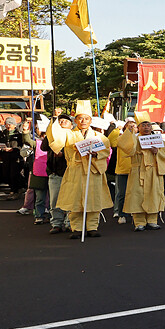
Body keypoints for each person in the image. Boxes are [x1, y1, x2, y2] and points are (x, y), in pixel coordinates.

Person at [47, 100, 113, 239]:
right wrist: (54, 119)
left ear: (91, 120)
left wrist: (97, 154)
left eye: (86, 118)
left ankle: (92, 227)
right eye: (80, 118)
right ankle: (76, 227)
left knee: (94, 200)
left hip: (93, 171)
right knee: (75, 200)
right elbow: (55, 139)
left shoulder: (99, 136)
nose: (83, 121)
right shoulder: (68, 134)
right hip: (75, 171)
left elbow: (106, 150)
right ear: (75, 120)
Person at [119, 115, 165, 230]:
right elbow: (125, 147)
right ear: (138, 127)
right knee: (137, 195)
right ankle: (139, 222)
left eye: (148, 125)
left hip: (153, 171)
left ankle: (152, 220)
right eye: (143, 125)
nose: (146, 127)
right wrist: (129, 131)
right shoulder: (134, 139)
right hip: (138, 171)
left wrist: (157, 152)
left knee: (154, 194)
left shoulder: (159, 140)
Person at [43, 112, 72, 234]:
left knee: (70, 199)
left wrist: (63, 154)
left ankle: (70, 222)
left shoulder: (74, 135)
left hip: (70, 172)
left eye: (66, 121)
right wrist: (50, 132)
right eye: (60, 121)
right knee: (55, 200)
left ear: (71, 125)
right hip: (54, 172)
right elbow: (44, 147)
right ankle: (56, 223)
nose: (63, 122)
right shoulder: (52, 134)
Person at [107, 116, 137, 224]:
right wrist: (117, 128)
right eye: (129, 126)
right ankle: (121, 214)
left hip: (135, 170)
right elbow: (111, 141)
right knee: (121, 193)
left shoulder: (138, 138)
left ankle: (134, 212)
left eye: (134, 126)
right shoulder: (120, 138)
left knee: (135, 193)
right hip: (122, 170)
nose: (132, 128)